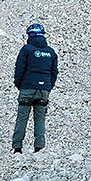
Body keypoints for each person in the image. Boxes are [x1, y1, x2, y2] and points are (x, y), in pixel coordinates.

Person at [12, 22, 60, 153]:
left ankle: (17, 148)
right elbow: (54, 72)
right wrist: (48, 87)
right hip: (44, 89)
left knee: (22, 117)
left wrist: (19, 85)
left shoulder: (26, 49)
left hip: (27, 87)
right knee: (40, 118)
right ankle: (39, 147)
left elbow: (19, 69)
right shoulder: (50, 52)